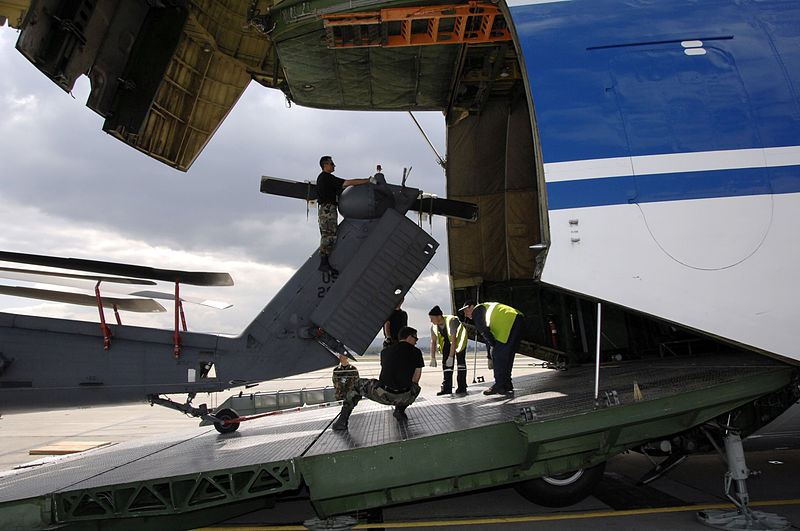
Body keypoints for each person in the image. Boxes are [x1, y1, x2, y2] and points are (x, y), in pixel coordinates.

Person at [332, 326, 424, 431]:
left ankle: (342, 421)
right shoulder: (417, 352)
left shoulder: (385, 352)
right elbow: (416, 378)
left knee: (357, 384)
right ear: (408, 337)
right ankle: (400, 411)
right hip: (405, 397)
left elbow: (387, 369)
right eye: (415, 338)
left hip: (384, 394)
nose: (416, 341)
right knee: (416, 387)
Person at [316, 156, 369, 274]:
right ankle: (323, 263)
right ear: (325, 165)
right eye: (332, 163)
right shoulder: (326, 177)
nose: (334, 166)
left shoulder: (324, 179)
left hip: (326, 209)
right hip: (328, 210)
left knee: (329, 233)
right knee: (329, 234)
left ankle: (324, 262)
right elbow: (347, 183)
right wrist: (367, 180)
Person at [459, 300, 525, 396]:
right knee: (508, 355)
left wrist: (493, 346)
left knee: (498, 355)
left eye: (466, 311)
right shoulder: (486, 308)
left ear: (471, 307)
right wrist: (489, 352)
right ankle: (507, 384)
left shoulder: (477, 311)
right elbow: (487, 336)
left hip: (508, 323)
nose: (465, 315)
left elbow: (484, 332)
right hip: (518, 319)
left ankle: (499, 384)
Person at [428, 305, 468, 396]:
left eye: (432, 318)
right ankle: (447, 388)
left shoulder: (452, 321)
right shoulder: (433, 326)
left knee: (460, 364)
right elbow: (433, 342)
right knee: (446, 365)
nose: (431, 321)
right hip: (447, 342)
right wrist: (433, 358)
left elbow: (454, 340)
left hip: (459, 341)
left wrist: (451, 357)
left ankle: (462, 387)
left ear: (439, 316)